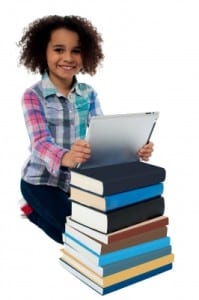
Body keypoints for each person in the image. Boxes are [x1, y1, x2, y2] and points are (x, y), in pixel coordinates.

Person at [18, 15, 154, 244]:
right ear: (44, 52)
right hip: (41, 181)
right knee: (74, 238)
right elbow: (40, 143)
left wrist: (134, 150)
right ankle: (31, 211)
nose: (68, 58)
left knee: (102, 230)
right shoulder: (33, 95)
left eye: (76, 51)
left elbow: (101, 135)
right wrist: (66, 156)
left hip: (77, 181)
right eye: (59, 49)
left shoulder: (88, 93)